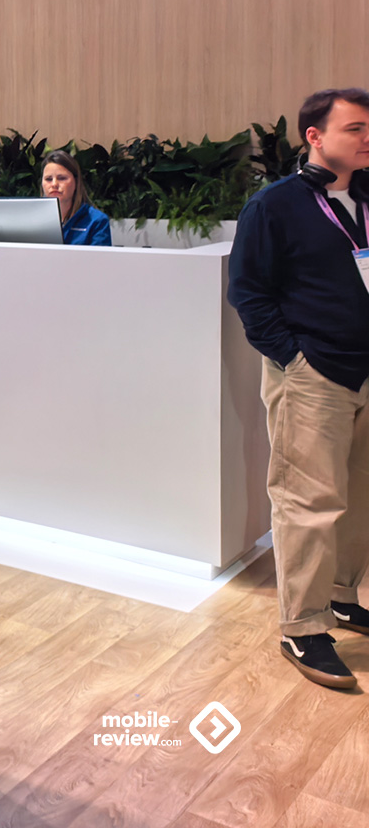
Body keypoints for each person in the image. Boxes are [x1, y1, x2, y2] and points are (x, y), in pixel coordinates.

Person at [229, 88, 369, 691]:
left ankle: (341, 597)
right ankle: (303, 627)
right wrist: (293, 358)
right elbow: (248, 292)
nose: (367, 139)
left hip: (365, 369)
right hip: (313, 374)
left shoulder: (366, 197)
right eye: (355, 128)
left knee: (359, 495)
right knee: (308, 502)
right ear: (314, 136)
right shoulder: (275, 205)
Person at [40, 149, 112, 246]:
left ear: (76, 182)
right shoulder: (34, 220)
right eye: (48, 179)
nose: (54, 184)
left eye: (62, 178)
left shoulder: (96, 221)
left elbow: (100, 256)